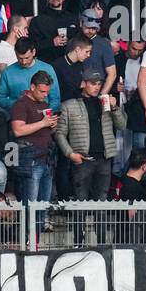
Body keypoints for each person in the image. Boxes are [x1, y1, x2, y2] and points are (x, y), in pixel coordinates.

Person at [55, 68, 125, 205]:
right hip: (82, 159)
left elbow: (122, 125)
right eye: (93, 84)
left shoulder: (105, 103)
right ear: (83, 84)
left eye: (99, 84)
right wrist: (70, 154)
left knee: (102, 203)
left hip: (104, 159)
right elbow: (59, 133)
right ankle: (78, 227)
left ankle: (100, 228)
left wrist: (115, 108)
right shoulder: (69, 105)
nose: (97, 87)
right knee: (80, 203)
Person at [9, 69, 58, 207]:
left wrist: (53, 125)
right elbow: (18, 130)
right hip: (30, 162)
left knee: (44, 205)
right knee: (31, 206)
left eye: (47, 92)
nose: (45, 95)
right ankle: (29, 229)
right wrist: (43, 123)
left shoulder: (44, 105)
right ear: (32, 87)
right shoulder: (21, 104)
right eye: (42, 91)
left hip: (47, 159)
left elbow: (48, 130)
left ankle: (39, 228)